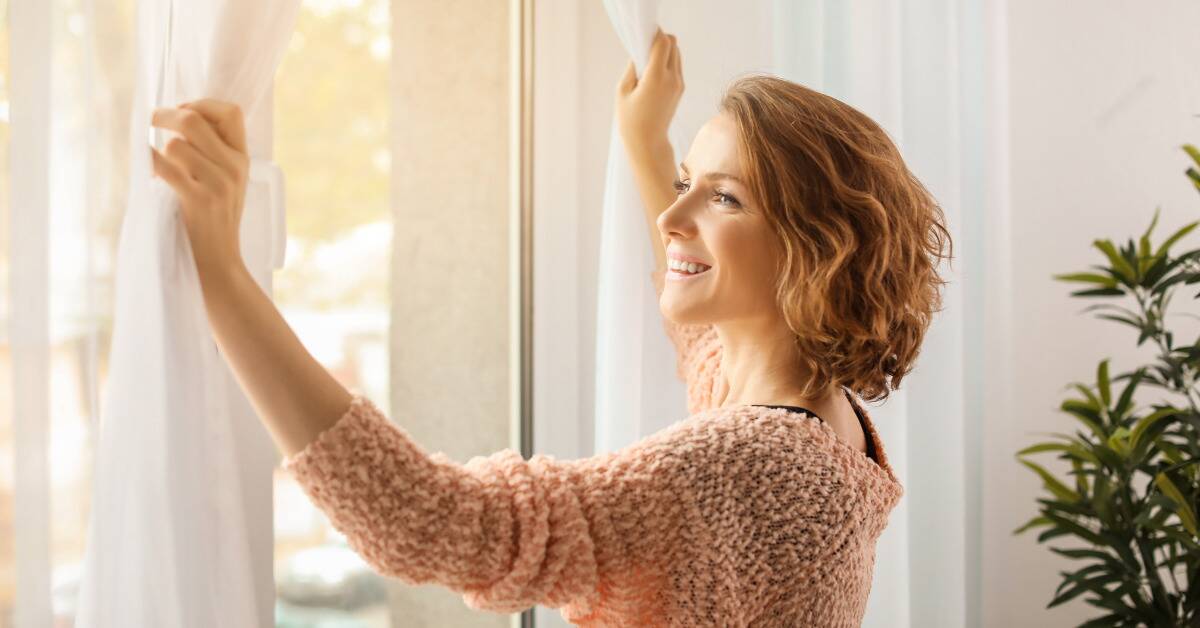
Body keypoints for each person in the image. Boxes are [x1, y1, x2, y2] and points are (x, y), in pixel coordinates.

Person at [148, 28, 950, 627]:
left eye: (724, 197)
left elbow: (436, 521)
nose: (674, 215)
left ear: (815, 250)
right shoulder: (822, 418)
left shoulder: (739, 467)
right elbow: (707, 347)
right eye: (682, 183)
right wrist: (646, 145)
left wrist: (223, 275)